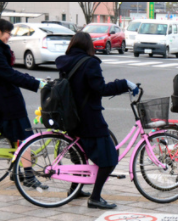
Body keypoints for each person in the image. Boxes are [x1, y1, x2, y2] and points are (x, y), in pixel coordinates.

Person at [55, 32, 137, 209]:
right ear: (88, 46)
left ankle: (75, 189)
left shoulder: (66, 62)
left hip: (71, 118)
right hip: (89, 120)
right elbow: (100, 89)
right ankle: (95, 197)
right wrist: (124, 84)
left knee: (81, 155)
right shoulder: (89, 63)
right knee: (110, 159)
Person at [0, 19, 47, 189]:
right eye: (7, 33)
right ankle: (28, 174)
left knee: (13, 137)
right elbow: (9, 75)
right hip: (7, 102)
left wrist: (33, 80)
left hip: (5, 100)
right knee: (23, 137)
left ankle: (16, 170)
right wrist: (35, 83)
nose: (9, 37)